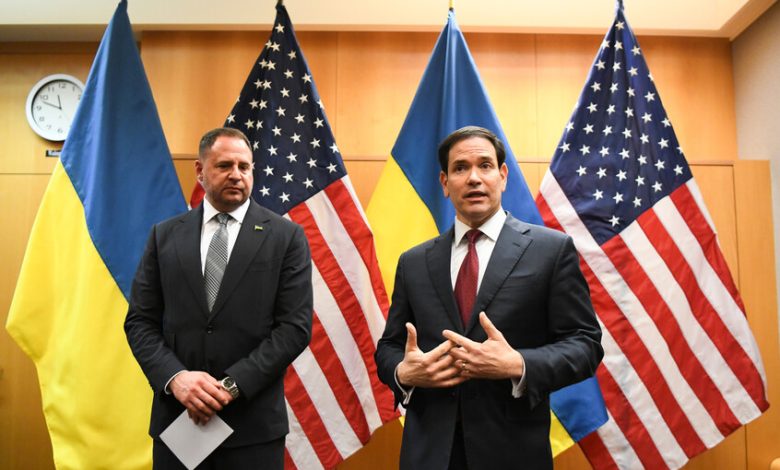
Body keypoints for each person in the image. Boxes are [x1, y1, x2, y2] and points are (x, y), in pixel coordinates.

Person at [374, 126, 603, 469]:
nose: (473, 178)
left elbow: (585, 344)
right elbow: (389, 347)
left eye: (485, 165)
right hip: (430, 455)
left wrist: (518, 364)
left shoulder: (551, 251)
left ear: (503, 175)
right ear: (444, 183)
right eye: (460, 168)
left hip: (513, 453)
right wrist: (404, 373)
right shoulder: (414, 262)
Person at [125, 127, 313, 469]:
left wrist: (230, 386)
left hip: (252, 429)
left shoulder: (286, 237)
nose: (236, 175)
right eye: (224, 165)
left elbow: (294, 328)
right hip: (179, 422)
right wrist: (176, 378)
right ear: (200, 170)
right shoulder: (164, 236)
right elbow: (140, 322)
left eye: (244, 167)